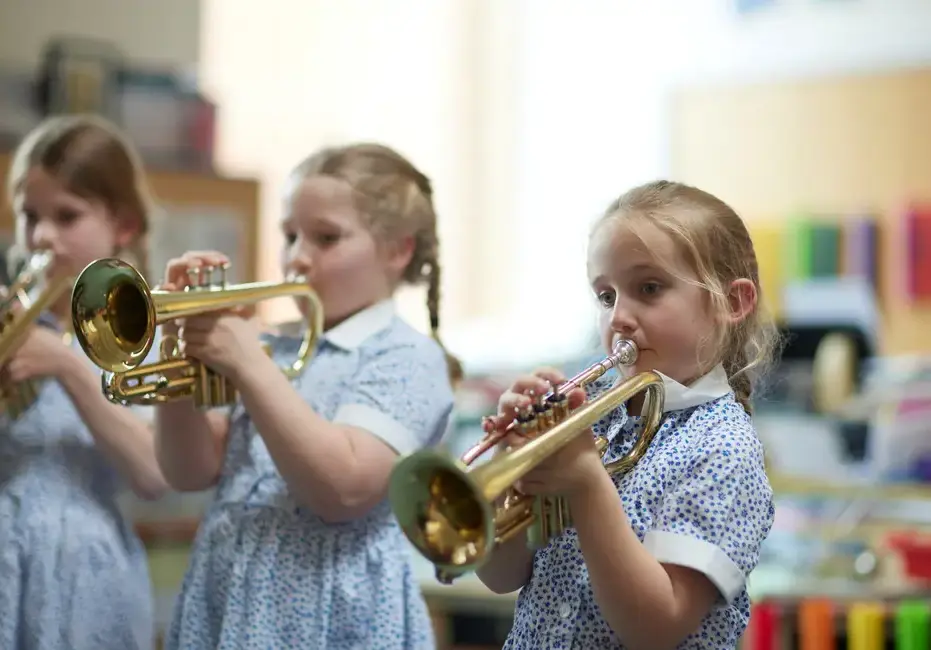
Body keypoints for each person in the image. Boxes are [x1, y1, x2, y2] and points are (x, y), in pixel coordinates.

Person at [156, 142, 461, 650]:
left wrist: (250, 366)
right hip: (229, 594)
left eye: (326, 238)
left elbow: (341, 489)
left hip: (332, 608)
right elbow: (188, 470)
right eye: (290, 235)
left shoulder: (408, 358)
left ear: (397, 250)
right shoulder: (273, 345)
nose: (297, 257)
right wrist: (179, 359)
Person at [477, 180, 779, 649]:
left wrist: (585, 481)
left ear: (732, 302)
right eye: (606, 295)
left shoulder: (722, 448)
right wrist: (511, 471)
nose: (619, 316)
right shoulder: (591, 415)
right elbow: (499, 574)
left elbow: (655, 627)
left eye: (649, 288)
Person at [0, 115, 168, 649]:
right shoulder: (15, 316)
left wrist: (69, 366)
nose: (41, 236)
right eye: (30, 216)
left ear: (124, 225)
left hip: (82, 575)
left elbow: (152, 475)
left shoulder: (144, 335)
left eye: (67, 216)